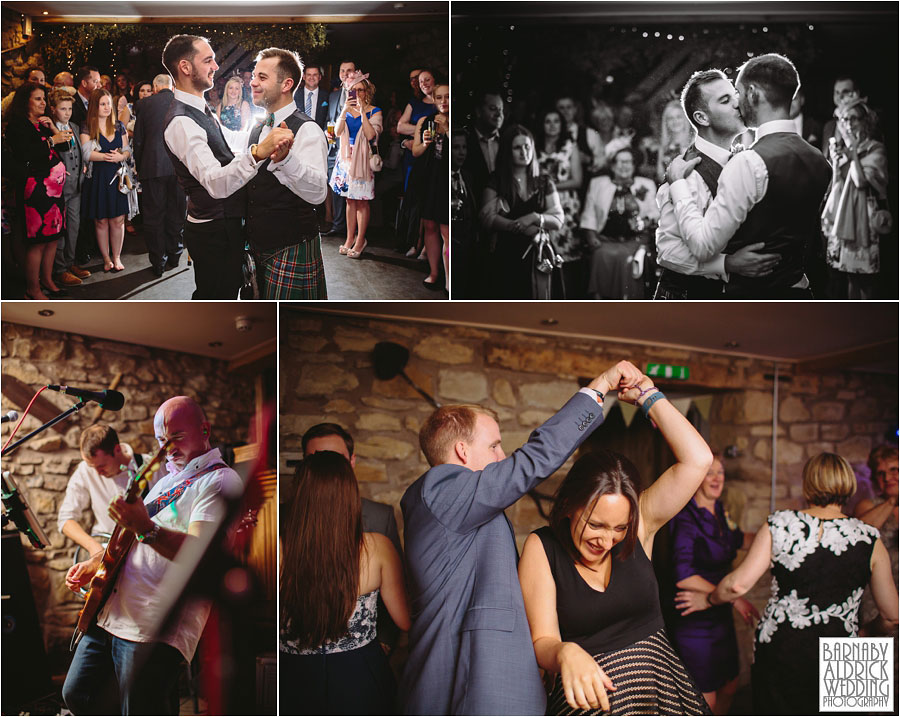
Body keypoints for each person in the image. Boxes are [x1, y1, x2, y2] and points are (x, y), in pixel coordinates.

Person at [400, 360, 644, 715]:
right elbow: (531, 461)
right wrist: (601, 385)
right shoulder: (441, 489)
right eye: (495, 446)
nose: (503, 456)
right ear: (462, 452)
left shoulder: (461, 504)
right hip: (473, 690)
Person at [518, 374, 714, 715]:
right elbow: (542, 641)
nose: (606, 539)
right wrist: (565, 651)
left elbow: (698, 460)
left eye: (619, 528)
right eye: (595, 524)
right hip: (593, 705)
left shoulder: (642, 526)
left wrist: (649, 396)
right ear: (568, 506)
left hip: (663, 698)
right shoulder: (542, 547)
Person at [62, 396, 245, 715]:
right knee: (77, 694)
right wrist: (98, 562)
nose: (167, 448)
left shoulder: (221, 480)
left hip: (153, 624)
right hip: (113, 612)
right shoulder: (166, 480)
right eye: (162, 440)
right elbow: (134, 539)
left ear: (205, 429)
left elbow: (201, 556)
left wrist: (146, 528)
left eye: (176, 437)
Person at [679, 452, 899, 715]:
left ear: (808, 484)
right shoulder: (869, 537)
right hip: (849, 645)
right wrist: (863, 633)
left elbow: (736, 585)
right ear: (847, 484)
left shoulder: (781, 524)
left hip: (786, 645)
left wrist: (708, 598)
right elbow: (893, 616)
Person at [666, 53, 832, 299]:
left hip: (753, 298)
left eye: (739, 93)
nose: (737, 103)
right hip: (799, 292)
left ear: (753, 94)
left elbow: (702, 246)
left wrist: (677, 184)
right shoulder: (820, 160)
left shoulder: (749, 162)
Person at [161, 34, 293, 299]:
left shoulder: (200, 108)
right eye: (208, 60)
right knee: (216, 301)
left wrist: (261, 133)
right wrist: (258, 152)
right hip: (213, 230)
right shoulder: (181, 123)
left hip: (222, 223)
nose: (215, 67)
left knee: (226, 293)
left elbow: (225, 144)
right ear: (185, 68)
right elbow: (215, 183)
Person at [280, 451, 410, 714]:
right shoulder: (378, 548)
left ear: (300, 496)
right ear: (349, 495)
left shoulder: (278, 550)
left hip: (295, 679)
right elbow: (407, 620)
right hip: (360, 676)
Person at [654, 69, 779, 300]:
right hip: (686, 300)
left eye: (734, 95)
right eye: (725, 100)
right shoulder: (687, 173)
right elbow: (667, 251)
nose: (737, 103)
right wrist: (728, 264)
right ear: (702, 118)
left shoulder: (743, 160)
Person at [300, 423, 404, 654]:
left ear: (351, 461)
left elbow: (397, 593)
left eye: (334, 460)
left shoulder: (380, 518)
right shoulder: (283, 523)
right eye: (317, 460)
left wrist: (384, 643)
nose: (327, 470)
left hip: (364, 655)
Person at [668, 454, 758, 714]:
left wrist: (777, 532)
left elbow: (739, 539)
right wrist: (733, 597)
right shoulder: (685, 518)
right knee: (705, 700)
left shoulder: (720, 511)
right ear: (697, 478)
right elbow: (683, 575)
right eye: (710, 472)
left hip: (719, 614)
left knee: (730, 684)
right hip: (695, 617)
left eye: (720, 472)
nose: (717, 478)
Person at [244, 47, 328, 299]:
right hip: (257, 245)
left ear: (286, 84)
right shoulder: (258, 127)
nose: (253, 82)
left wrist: (287, 160)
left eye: (262, 77)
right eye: (254, 75)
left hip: (292, 245)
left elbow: (318, 194)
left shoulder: (308, 130)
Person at [480, 124, 564, 299]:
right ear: (507, 150)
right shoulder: (497, 180)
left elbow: (558, 219)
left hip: (539, 253)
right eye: (517, 147)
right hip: (507, 253)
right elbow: (486, 218)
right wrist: (518, 226)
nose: (524, 152)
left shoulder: (544, 181)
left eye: (527, 146)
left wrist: (534, 217)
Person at [5, 81, 70, 299]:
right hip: (35, 191)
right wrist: (52, 139)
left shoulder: (43, 123)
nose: (44, 102)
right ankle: (32, 289)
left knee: (53, 238)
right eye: (38, 98)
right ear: (26, 102)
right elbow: (25, 154)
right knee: (38, 241)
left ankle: (48, 280)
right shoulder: (17, 125)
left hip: (54, 191)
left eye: (44, 98)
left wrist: (52, 128)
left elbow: (65, 147)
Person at [821, 98, 887, 300]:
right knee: (850, 278)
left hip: (865, 223)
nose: (849, 124)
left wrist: (854, 155)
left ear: (865, 121)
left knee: (866, 281)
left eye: (854, 119)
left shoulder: (876, 149)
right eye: (845, 119)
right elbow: (835, 185)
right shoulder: (845, 148)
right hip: (844, 218)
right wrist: (836, 160)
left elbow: (860, 181)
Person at [57, 425, 153, 559]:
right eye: (92, 467)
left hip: (147, 552)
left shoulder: (151, 466)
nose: (97, 473)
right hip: (106, 549)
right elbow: (65, 520)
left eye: (101, 466)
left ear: (117, 450)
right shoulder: (85, 470)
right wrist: (94, 547)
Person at [580, 143, 658, 299]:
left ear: (634, 165)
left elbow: (656, 212)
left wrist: (645, 221)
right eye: (620, 162)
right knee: (600, 255)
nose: (624, 166)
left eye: (628, 162)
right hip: (606, 241)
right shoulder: (598, 184)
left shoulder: (646, 184)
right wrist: (591, 236)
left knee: (627, 258)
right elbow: (589, 214)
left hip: (635, 241)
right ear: (612, 165)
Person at [133, 73, 186, 277]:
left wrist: (140, 165)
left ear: (155, 88)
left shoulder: (144, 105)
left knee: (154, 217)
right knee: (176, 212)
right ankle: (175, 254)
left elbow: (139, 140)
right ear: (171, 87)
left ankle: (158, 262)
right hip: (179, 167)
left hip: (152, 166)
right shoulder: (181, 102)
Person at [329, 70, 382, 260]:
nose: (358, 94)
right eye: (354, 90)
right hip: (345, 158)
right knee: (349, 200)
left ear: (367, 92)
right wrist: (344, 111)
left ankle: (361, 239)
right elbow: (337, 132)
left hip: (363, 160)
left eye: (361, 90)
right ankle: (349, 237)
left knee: (362, 201)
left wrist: (361, 112)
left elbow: (370, 135)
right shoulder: (346, 108)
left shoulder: (375, 111)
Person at [80, 88, 131, 273]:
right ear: (95, 106)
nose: (107, 107)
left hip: (116, 177)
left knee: (118, 220)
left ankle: (117, 256)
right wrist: (107, 157)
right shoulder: (87, 126)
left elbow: (127, 151)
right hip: (97, 178)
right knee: (101, 220)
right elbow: (86, 154)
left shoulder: (119, 126)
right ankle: (106, 258)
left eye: (109, 103)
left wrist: (121, 157)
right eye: (103, 104)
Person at [536, 107, 585, 297]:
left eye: (556, 121)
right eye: (548, 121)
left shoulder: (570, 146)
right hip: (542, 205)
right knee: (546, 252)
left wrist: (550, 184)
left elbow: (577, 180)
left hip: (566, 205)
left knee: (568, 254)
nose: (552, 125)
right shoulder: (534, 146)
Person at [48, 89, 91, 288]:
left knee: (74, 227)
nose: (67, 113)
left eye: (70, 108)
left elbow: (79, 154)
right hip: (58, 189)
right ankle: (59, 270)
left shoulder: (73, 126)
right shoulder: (49, 131)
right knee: (60, 230)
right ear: (53, 110)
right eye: (63, 109)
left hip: (76, 187)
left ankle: (70, 262)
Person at [412, 82, 449, 291]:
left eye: (448, 97)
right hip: (430, 178)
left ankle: (450, 280)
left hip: (448, 180)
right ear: (434, 100)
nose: (444, 101)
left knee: (447, 230)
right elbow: (416, 151)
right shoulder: (425, 121)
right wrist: (425, 143)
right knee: (430, 225)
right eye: (440, 97)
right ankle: (434, 273)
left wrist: (447, 130)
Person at [324, 60, 357, 239]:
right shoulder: (333, 96)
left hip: (353, 147)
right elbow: (330, 119)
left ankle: (353, 230)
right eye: (342, 70)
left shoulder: (360, 94)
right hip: (334, 148)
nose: (345, 74)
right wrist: (327, 134)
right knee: (336, 187)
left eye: (349, 70)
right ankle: (338, 225)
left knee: (353, 190)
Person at [463, 90, 504, 212]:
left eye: (501, 109)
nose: (498, 114)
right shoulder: (465, 141)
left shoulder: (509, 140)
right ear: (479, 111)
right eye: (493, 109)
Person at [556, 94, 603, 177]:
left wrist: (588, 160)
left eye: (569, 107)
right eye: (561, 108)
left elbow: (602, 162)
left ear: (575, 110)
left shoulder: (590, 133)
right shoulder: (551, 134)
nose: (565, 111)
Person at [657, 98, 695, 184]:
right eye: (670, 118)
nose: (675, 121)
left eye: (679, 117)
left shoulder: (694, 141)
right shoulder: (663, 146)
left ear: (685, 119)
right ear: (666, 122)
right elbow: (660, 175)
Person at [821, 75, 860, 154]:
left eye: (845, 92)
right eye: (837, 93)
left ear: (856, 94)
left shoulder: (862, 122)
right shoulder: (828, 126)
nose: (840, 97)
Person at [295, 64, 329, 129]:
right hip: (298, 135)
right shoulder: (295, 95)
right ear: (304, 77)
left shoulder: (327, 96)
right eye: (309, 75)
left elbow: (329, 118)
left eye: (315, 75)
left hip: (319, 135)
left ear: (320, 77)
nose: (312, 78)